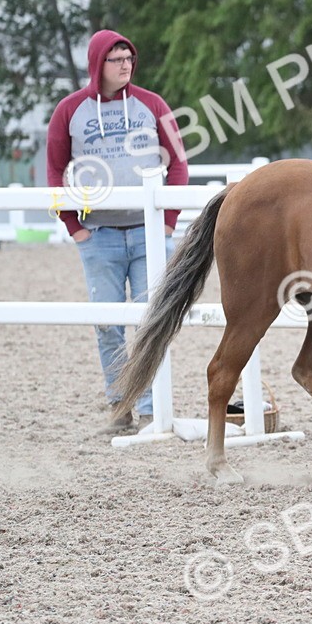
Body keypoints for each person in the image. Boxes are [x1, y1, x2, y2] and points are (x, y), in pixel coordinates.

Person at [46, 30, 189, 433]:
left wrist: (167, 221)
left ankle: (148, 408)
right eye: (116, 58)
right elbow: (55, 170)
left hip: (149, 234)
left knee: (150, 320)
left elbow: (177, 163)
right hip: (99, 235)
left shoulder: (152, 104)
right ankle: (118, 405)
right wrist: (74, 227)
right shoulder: (70, 110)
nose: (125, 64)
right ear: (98, 64)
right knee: (108, 324)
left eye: (129, 57)